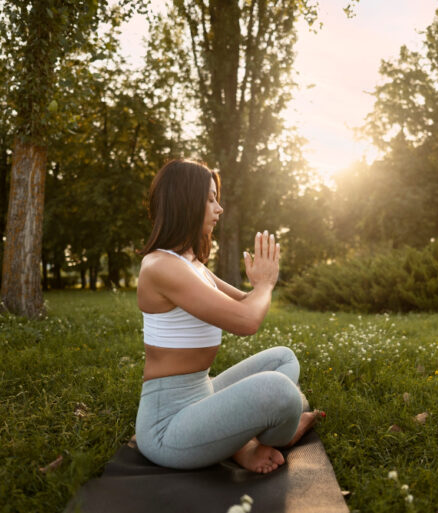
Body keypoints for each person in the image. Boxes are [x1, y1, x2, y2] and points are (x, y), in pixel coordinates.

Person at [134, 159, 322, 474]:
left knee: (282, 359)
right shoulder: (161, 266)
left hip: (202, 391)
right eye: (209, 199)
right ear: (185, 202)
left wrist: (260, 286)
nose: (219, 209)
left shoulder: (191, 264)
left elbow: (247, 302)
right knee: (282, 393)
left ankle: (235, 439)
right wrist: (265, 284)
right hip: (167, 427)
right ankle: (266, 438)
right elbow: (247, 321)